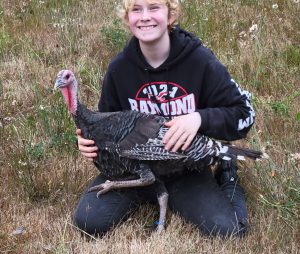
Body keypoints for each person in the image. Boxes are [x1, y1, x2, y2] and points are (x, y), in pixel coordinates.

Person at [74, 0, 256, 237]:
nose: (145, 16)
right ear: (127, 18)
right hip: (134, 170)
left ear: (170, 15)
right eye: (136, 9)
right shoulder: (120, 69)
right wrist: (89, 142)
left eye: (154, 7)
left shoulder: (199, 61)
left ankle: (227, 172)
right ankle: (152, 193)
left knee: (228, 231)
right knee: (89, 221)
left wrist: (198, 119)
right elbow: (107, 126)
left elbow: (244, 113)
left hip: (184, 167)